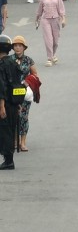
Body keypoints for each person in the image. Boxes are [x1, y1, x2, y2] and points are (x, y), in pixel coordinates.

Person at [10, 36, 37, 153]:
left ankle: (23, 142)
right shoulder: (9, 60)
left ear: (24, 48)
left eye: (20, 46)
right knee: (14, 116)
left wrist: (28, 82)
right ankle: (15, 142)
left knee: (24, 117)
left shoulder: (29, 60)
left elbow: (35, 75)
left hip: (24, 93)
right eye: (15, 45)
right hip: (12, 93)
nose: (17, 48)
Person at [0, 36, 23, 169]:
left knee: (5, 132)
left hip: (5, 104)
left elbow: (2, 87)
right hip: (14, 104)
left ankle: (8, 161)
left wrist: (1, 106)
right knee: (10, 129)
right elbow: (17, 85)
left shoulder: (2, 65)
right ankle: (8, 159)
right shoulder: (14, 63)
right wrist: (18, 103)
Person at [35, 0, 66, 65]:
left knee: (55, 41)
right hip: (45, 20)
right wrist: (37, 19)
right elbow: (39, 10)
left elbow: (61, 9)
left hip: (55, 19)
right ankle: (49, 58)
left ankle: (53, 55)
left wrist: (63, 19)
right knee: (49, 40)